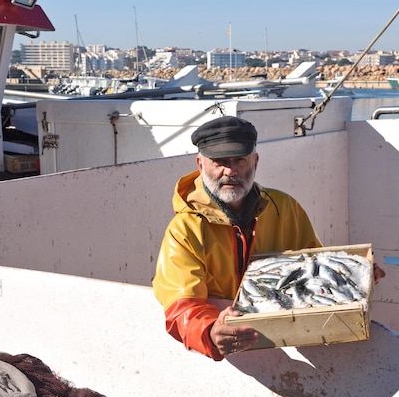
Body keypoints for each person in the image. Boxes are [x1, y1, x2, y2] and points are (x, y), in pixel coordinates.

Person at [153, 115, 383, 361]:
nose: (230, 171)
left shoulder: (285, 207)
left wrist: (355, 277)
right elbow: (181, 308)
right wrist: (210, 332)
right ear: (200, 164)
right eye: (219, 161)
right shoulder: (184, 229)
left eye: (240, 160)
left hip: (289, 339)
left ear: (255, 161)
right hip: (225, 350)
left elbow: (314, 269)